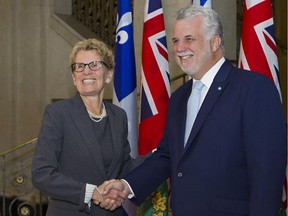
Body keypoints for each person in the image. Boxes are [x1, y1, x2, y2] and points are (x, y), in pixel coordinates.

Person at [94, 5, 287, 216]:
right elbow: (168, 155)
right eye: (176, 41)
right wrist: (127, 185)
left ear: (215, 42)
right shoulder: (179, 97)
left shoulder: (253, 89)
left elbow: (267, 171)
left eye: (189, 39)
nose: (179, 48)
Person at [31, 38, 145, 216]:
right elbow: (41, 173)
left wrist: (161, 154)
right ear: (73, 76)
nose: (86, 71)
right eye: (80, 66)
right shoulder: (58, 113)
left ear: (108, 75)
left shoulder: (118, 116)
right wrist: (90, 193)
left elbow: (124, 167)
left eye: (94, 65)